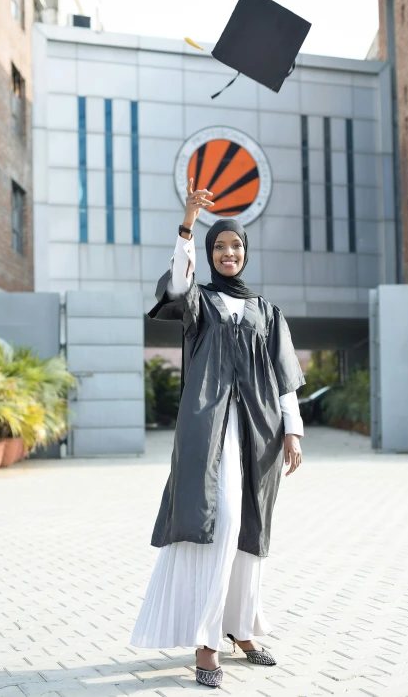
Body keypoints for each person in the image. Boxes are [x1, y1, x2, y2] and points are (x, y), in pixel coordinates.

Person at [130, 180, 306, 688]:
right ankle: (206, 642)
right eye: (219, 247)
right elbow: (176, 284)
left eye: (236, 246)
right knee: (223, 522)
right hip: (210, 431)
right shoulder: (198, 303)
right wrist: (188, 223)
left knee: (252, 530)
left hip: (261, 431)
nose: (228, 253)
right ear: (210, 254)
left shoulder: (266, 311)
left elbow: (283, 374)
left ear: (245, 253)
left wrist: (293, 431)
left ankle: (243, 629)